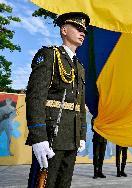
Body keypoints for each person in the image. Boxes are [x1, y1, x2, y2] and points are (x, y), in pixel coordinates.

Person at [26, 12, 89, 188]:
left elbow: (80, 104)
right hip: (52, 134)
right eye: (78, 28)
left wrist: (81, 134)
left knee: (64, 183)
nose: (82, 32)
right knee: (45, 183)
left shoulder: (80, 67)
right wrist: (38, 137)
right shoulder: (49, 55)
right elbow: (35, 97)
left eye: (84, 30)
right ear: (64, 30)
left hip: (72, 136)